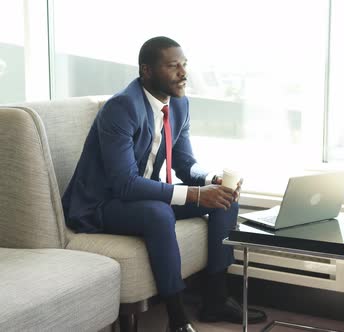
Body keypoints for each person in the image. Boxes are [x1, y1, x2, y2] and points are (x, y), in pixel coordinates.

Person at [61, 36, 266, 332]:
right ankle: (177, 318)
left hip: (140, 195)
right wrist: (196, 195)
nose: (183, 73)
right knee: (159, 213)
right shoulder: (122, 108)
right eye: (173, 66)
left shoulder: (179, 105)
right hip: (100, 204)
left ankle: (216, 298)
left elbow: (184, 162)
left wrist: (211, 181)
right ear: (146, 71)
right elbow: (124, 184)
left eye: (184, 65)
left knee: (224, 197)